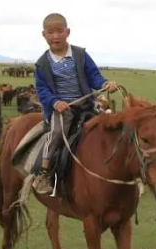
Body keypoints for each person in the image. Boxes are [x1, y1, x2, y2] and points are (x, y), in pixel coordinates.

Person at [32, 12, 118, 195]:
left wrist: (104, 84)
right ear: (44, 35)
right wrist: (55, 102)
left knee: (110, 127)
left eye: (59, 31)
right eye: (50, 32)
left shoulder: (80, 55)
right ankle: (44, 173)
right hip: (63, 110)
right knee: (55, 134)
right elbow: (42, 90)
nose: (55, 36)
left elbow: (94, 75)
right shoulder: (42, 64)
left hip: (86, 105)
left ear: (67, 32)